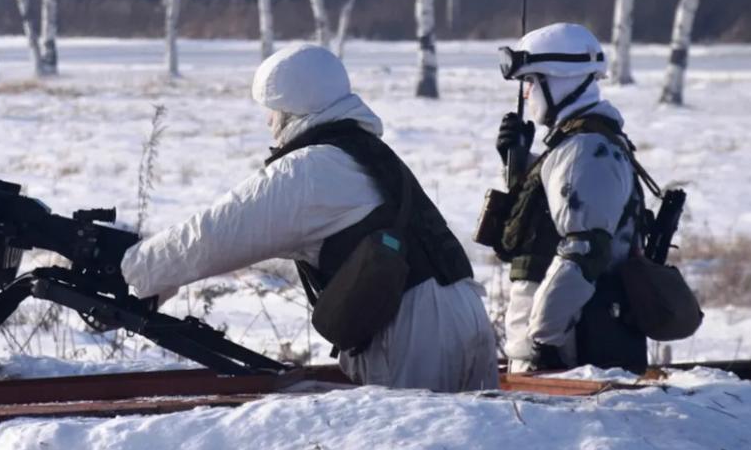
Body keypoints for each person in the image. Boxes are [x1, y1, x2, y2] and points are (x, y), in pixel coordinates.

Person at [121, 43, 498, 391]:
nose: (269, 123)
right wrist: (166, 282)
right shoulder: (363, 154)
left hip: (415, 331)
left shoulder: (312, 168)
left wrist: (136, 270)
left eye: (271, 111)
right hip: (465, 312)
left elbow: (218, 234)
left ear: (291, 109)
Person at [491, 22, 647, 373]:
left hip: (568, 356)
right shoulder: (577, 146)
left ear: (559, 80)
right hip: (557, 351)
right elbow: (548, 217)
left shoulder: (585, 151)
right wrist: (517, 162)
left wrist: (544, 340)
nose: (527, 95)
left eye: (531, 82)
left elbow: (583, 252)